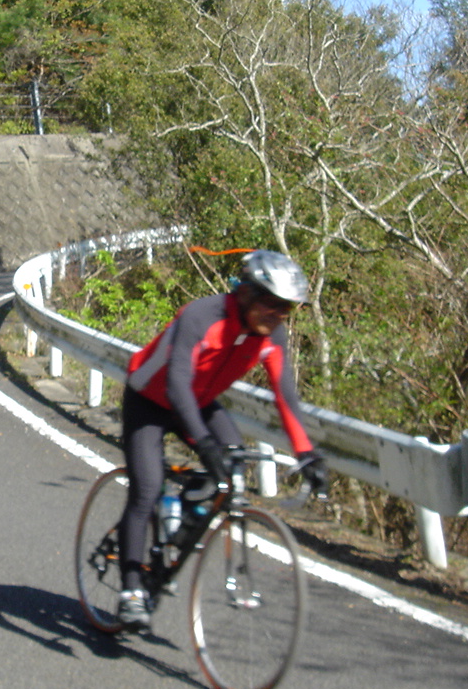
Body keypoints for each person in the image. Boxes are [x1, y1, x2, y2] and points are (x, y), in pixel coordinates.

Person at [115, 249, 328, 630]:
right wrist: (203, 441)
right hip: (151, 399)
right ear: (246, 292)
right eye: (273, 304)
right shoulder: (201, 316)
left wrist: (307, 453)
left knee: (233, 463)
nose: (278, 315)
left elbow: (286, 398)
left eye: (288, 309)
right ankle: (131, 589)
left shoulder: (271, 335)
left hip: (199, 401)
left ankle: (179, 527)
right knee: (146, 489)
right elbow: (177, 383)